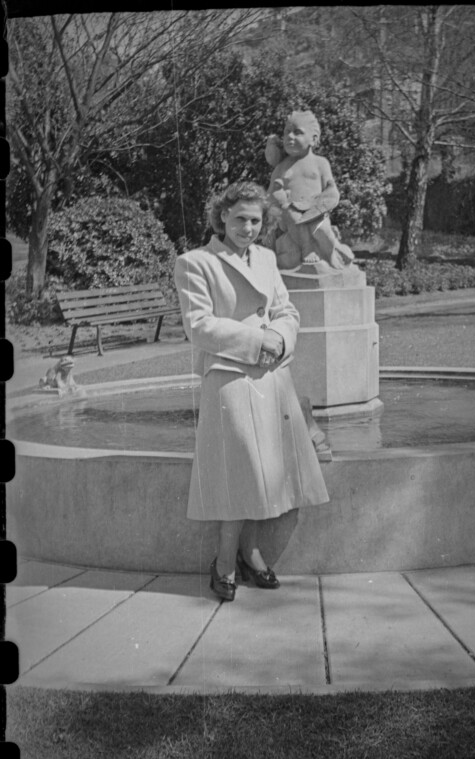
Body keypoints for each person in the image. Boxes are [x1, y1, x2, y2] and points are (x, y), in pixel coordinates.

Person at [174, 182, 329, 602]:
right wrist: (258, 341)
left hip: (271, 375)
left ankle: (251, 552)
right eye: (240, 218)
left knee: (267, 470)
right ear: (222, 215)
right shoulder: (195, 262)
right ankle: (225, 559)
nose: (248, 227)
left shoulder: (265, 258)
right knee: (240, 469)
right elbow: (199, 326)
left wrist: (279, 338)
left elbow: (285, 310)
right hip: (229, 376)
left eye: (256, 220)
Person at [265, 109, 356, 273]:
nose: (290, 137)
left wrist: (329, 196)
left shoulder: (321, 163)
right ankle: (307, 248)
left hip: (315, 211)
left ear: (313, 139)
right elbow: (270, 195)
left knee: (321, 229)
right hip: (289, 213)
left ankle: (334, 252)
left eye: (297, 132)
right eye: (287, 132)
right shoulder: (282, 167)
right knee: (291, 214)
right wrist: (277, 197)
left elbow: (330, 189)